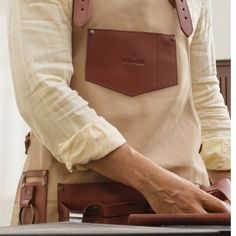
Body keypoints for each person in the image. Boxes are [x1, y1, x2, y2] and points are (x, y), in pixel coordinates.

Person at [8, 0, 230, 225]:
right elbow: (42, 93)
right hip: (77, 213)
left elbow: (205, 94)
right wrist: (157, 186)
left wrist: (226, 187)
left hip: (186, 209)